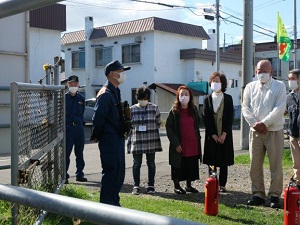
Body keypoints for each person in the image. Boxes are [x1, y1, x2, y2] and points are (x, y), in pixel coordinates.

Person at [242, 59, 286, 208]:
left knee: (275, 165)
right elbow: (245, 107)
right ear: (256, 72)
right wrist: (255, 123)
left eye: (265, 71)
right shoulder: (250, 86)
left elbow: (279, 108)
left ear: (271, 72)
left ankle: (274, 195)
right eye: (259, 71)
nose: (262, 74)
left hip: (274, 131)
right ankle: (257, 194)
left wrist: (264, 123)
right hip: (255, 132)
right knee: (254, 164)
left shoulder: (279, 86)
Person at [92, 60, 131, 206]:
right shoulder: (106, 94)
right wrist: (104, 136)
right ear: (112, 74)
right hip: (109, 139)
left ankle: (114, 201)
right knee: (111, 171)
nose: (123, 75)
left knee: (119, 172)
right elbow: (98, 119)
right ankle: (107, 205)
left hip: (117, 137)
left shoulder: (115, 91)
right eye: (121, 72)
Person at [166, 86, 202, 194]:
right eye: (182, 94)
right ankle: (177, 186)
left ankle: (189, 186)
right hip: (179, 144)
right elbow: (169, 127)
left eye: (186, 94)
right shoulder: (174, 111)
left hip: (192, 143)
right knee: (177, 165)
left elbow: (197, 123)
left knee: (191, 164)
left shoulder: (194, 109)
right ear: (178, 96)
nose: (184, 97)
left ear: (190, 97)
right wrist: (176, 143)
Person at [127, 86, 163, 195]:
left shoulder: (154, 108)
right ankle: (136, 185)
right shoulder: (132, 109)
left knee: (151, 163)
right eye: (141, 98)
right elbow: (128, 124)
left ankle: (151, 185)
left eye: (145, 98)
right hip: (137, 141)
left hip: (150, 140)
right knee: (136, 164)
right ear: (137, 97)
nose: (143, 100)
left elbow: (158, 122)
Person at [202, 72, 234, 193]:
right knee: (212, 159)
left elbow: (229, 117)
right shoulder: (207, 99)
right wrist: (214, 135)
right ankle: (213, 181)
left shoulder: (228, 98)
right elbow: (206, 119)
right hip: (212, 135)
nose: (215, 83)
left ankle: (222, 184)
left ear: (223, 83)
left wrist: (224, 134)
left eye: (218, 81)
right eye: (213, 81)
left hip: (225, 134)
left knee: (224, 160)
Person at [65, 75, 87, 183]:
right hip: (68, 127)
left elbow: (82, 112)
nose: (73, 86)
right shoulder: (64, 98)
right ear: (67, 85)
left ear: (78, 85)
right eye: (71, 84)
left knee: (79, 152)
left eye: (75, 84)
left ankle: (80, 174)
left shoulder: (81, 99)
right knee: (66, 152)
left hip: (78, 127)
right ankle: (64, 175)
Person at [286, 69, 300, 185]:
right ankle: (298, 183)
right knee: (296, 162)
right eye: (289, 79)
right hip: (293, 133)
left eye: (293, 79)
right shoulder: (289, 96)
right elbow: (285, 112)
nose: (290, 81)